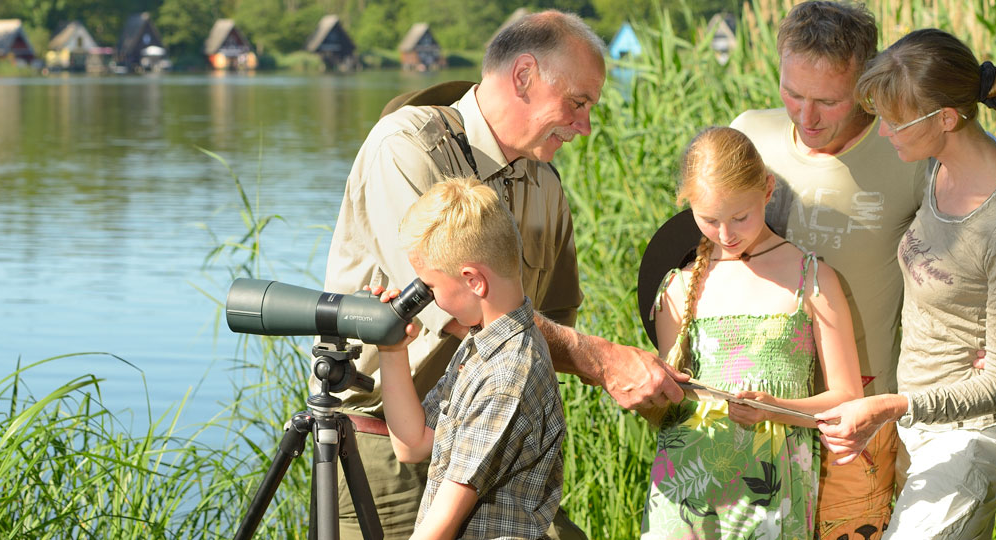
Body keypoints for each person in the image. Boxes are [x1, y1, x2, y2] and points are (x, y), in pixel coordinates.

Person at [321, 10, 685, 539]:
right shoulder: (405, 146)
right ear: (524, 77)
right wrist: (603, 360)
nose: (584, 126)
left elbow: (552, 326)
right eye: (578, 103)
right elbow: (447, 308)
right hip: (387, 452)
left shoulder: (546, 185)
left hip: (495, 453)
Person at [817, 28, 996, 539]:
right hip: (922, 425)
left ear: (944, 119)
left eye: (896, 122)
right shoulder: (941, 165)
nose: (884, 132)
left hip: (971, 442)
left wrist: (892, 407)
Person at [727, 3, 927, 536]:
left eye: (827, 101)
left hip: (856, 424)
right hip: (754, 412)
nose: (805, 117)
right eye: (792, 93)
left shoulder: (907, 153)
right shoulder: (749, 137)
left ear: (866, 86)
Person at [642, 126, 862, 539]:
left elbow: (847, 400)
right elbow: (669, 399)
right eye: (709, 220)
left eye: (740, 217)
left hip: (770, 487)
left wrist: (774, 408)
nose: (726, 235)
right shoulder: (678, 286)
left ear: (768, 190)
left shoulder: (811, 278)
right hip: (686, 488)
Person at [373, 177, 565, 540]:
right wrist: (392, 348)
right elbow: (412, 443)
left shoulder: (507, 374)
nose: (426, 297)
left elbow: (442, 524)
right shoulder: (482, 345)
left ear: (473, 280)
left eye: (430, 287)